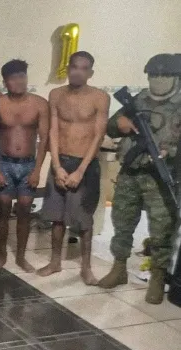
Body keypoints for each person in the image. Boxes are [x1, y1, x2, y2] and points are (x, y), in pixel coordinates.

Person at [98, 54, 181, 304]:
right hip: (131, 173)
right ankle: (119, 268)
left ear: (176, 77)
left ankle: (158, 277)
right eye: (154, 75)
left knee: (162, 231)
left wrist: (171, 151)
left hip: (161, 177)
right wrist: (120, 123)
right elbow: (111, 126)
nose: (158, 79)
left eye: (165, 75)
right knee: (122, 223)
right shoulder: (138, 100)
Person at [38, 51, 110, 285]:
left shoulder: (100, 97)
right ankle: (55, 261)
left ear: (90, 72)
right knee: (56, 217)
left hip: (85, 164)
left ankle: (86, 268)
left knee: (83, 219)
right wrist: (56, 165)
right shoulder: (56, 94)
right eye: (74, 67)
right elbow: (53, 130)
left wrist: (80, 170)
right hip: (61, 161)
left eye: (83, 68)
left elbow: (98, 135)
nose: (78, 72)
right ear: (68, 69)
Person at [0, 60, 49, 272]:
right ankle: (2, 254)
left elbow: (44, 140)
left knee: (25, 209)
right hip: (4, 162)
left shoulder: (39, 104)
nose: (18, 81)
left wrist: (37, 170)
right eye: (13, 78)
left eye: (22, 76)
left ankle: (21, 257)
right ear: (5, 82)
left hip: (28, 164)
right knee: (3, 208)